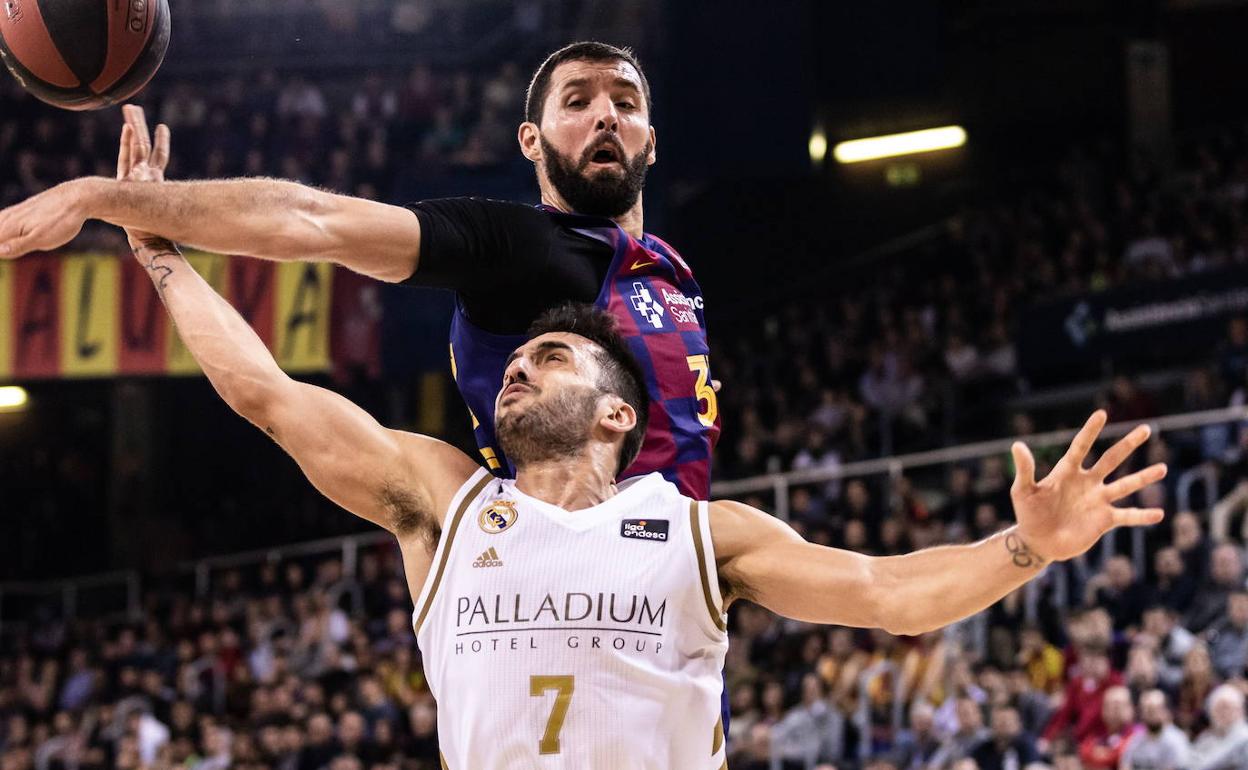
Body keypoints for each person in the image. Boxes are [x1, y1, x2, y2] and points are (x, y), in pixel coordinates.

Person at [93, 114, 1170, 769]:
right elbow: (267, 394)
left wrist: (1028, 548)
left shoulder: (701, 534)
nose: (515, 365)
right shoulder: (447, 497)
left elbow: (890, 594)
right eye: (516, 360)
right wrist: (162, 259)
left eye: (548, 359)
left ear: (619, 410)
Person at [0, 42, 719, 498]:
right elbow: (313, 221)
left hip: (677, 638)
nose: (604, 117)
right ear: (529, 140)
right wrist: (102, 197)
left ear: (650, 142)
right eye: (577, 102)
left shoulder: (672, 273)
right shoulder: (522, 246)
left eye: (624, 104)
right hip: (556, 574)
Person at [1121, 689, 1191, 770]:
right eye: (1146, 709)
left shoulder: (1177, 740)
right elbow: (1125, 765)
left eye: (1155, 709)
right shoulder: (1136, 740)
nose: (1151, 713)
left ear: (1166, 711)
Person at [1190, 685, 1248, 770]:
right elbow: (1189, 760)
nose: (1223, 713)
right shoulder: (1208, 735)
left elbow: (1209, 765)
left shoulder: (1243, 735)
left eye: (1227, 707)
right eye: (1218, 708)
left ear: (1240, 710)